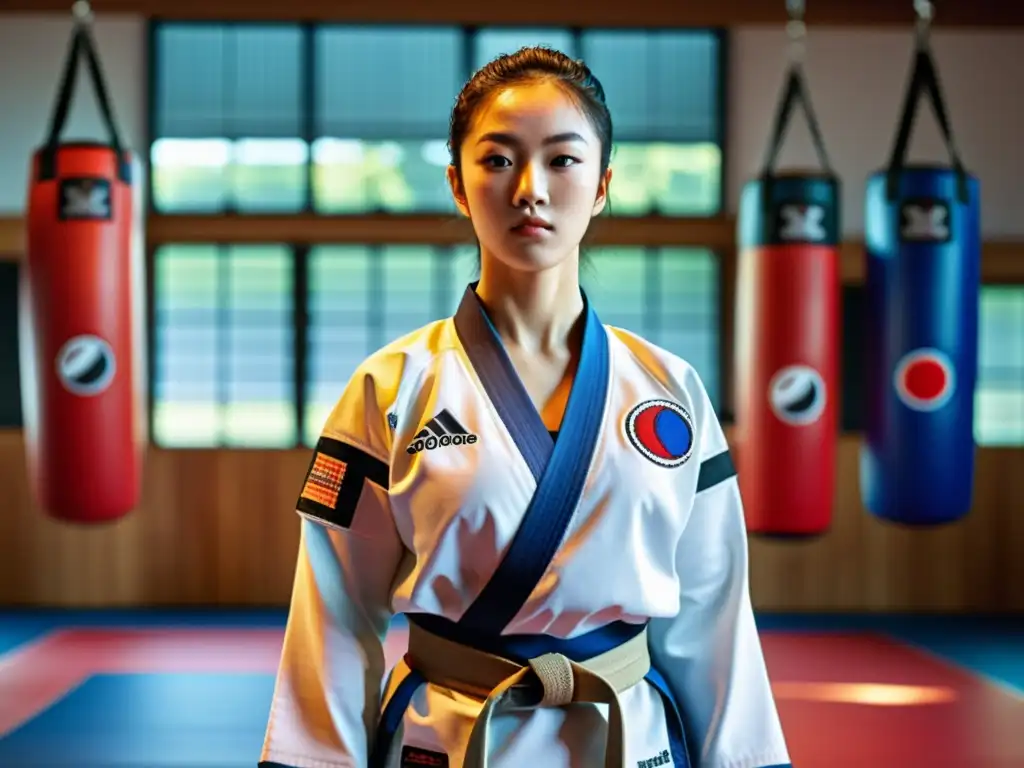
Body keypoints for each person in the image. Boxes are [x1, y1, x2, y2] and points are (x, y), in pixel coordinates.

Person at [259, 46, 791, 768]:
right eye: (499, 160)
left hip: (625, 743)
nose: (530, 189)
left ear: (602, 185)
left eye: (563, 160)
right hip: (449, 742)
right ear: (457, 183)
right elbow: (334, 616)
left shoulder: (670, 391)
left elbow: (715, 621)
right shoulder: (392, 389)